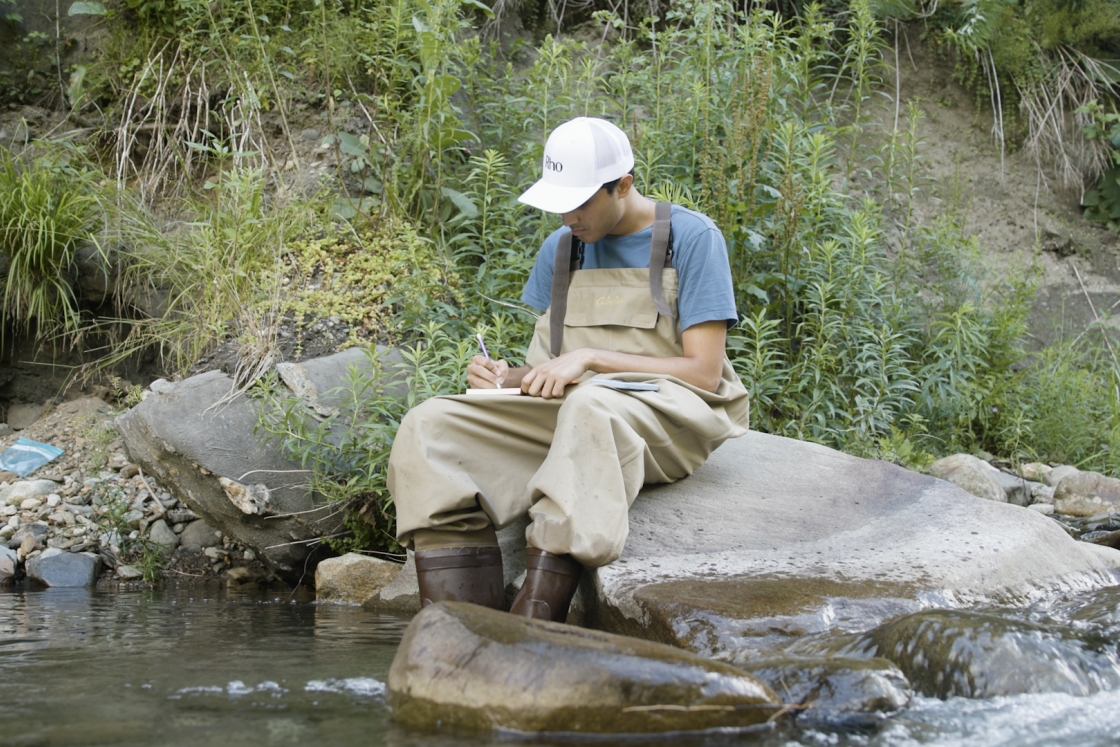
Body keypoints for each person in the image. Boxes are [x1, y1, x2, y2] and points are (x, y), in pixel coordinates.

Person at [386, 117, 749, 623]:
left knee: (590, 404)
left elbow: (705, 375)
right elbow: (547, 372)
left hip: (668, 417)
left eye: (579, 202)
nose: (566, 217)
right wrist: (502, 377)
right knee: (428, 426)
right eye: (559, 201)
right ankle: (459, 629)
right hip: (574, 415)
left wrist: (593, 360)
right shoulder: (560, 249)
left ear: (623, 185)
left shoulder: (692, 238)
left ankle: (536, 625)